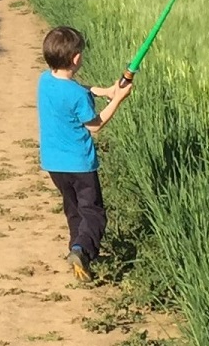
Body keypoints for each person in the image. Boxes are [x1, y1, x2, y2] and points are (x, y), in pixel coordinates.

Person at [36, 25, 132, 282]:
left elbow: (76, 89)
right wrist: (118, 98)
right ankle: (82, 250)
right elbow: (96, 126)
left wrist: (103, 90)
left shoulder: (44, 80)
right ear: (76, 58)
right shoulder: (78, 96)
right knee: (93, 211)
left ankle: (76, 249)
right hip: (80, 165)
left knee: (74, 208)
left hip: (54, 164)